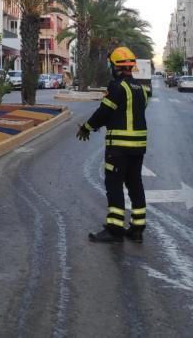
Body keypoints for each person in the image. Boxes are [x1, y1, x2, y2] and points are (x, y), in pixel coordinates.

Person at [77, 46, 150, 244]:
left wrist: (86, 128)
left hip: (118, 148)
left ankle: (115, 230)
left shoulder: (117, 88)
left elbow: (104, 113)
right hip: (138, 147)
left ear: (115, 67)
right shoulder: (142, 90)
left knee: (114, 185)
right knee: (135, 184)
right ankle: (137, 228)